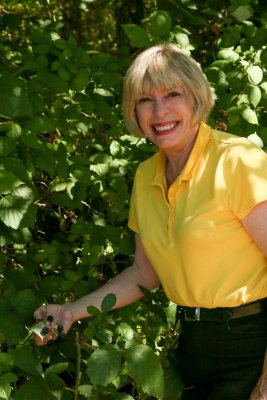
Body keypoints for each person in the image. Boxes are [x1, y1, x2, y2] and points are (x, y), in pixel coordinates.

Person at [34, 43, 267, 400]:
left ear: (196, 98)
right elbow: (145, 273)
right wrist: (71, 311)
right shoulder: (146, 176)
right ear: (134, 110)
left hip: (251, 341)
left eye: (173, 94)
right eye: (145, 99)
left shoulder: (236, 160)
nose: (160, 111)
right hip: (192, 346)